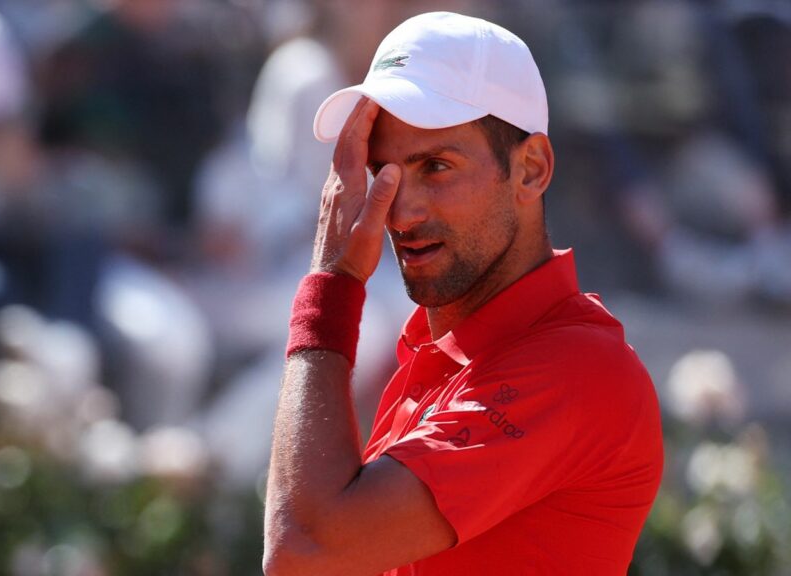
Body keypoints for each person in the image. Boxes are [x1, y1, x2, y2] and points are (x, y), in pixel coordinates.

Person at [263, 12, 664, 575]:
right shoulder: (438, 350)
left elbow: (304, 550)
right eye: (382, 171)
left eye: (436, 166)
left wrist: (331, 287)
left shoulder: (581, 368)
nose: (399, 210)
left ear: (532, 170)